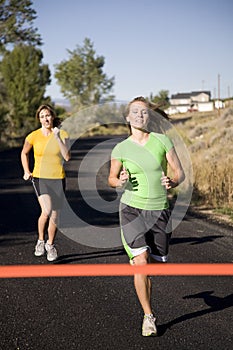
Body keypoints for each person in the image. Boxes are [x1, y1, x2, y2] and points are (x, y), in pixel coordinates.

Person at [108, 96, 185, 336]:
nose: (140, 115)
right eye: (135, 112)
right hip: (131, 208)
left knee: (153, 263)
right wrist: (118, 181)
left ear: (148, 116)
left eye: (144, 112)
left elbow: (179, 172)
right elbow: (111, 178)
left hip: (159, 209)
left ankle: (143, 271)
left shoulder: (162, 141)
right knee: (140, 262)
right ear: (127, 118)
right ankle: (148, 317)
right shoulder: (121, 148)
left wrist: (172, 181)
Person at [21, 104, 71, 262]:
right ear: (39, 119)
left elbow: (67, 157)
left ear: (52, 117)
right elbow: (24, 152)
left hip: (58, 178)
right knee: (47, 210)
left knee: (55, 215)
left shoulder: (62, 134)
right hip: (40, 178)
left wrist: (56, 137)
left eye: (48, 115)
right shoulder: (33, 136)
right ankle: (40, 240)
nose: (45, 119)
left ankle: (50, 244)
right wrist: (26, 171)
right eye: (42, 116)